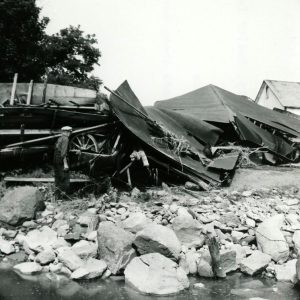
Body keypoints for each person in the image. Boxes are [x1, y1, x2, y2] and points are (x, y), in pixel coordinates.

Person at [53, 126, 72, 199]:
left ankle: (57, 196)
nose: (70, 133)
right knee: (65, 177)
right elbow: (63, 153)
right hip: (61, 159)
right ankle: (64, 196)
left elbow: (58, 149)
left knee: (58, 177)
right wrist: (65, 164)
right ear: (67, 132)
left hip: (56, 159)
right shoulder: (66, 139)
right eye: (70, 132)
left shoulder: (60, 138)